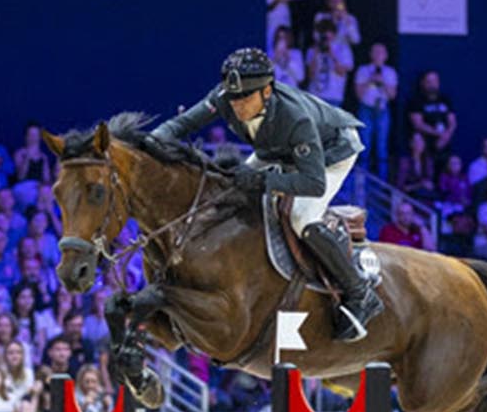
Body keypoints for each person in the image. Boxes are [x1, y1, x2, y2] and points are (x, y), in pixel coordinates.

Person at [152, 47, 381, 342]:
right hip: (277, 148)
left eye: (246, 98)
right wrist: (147, 142)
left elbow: (313, 183)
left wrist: (263, 180)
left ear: (267, 91)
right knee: (229, 192)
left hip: (332, 152)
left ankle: (359, 292)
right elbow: (180, 125)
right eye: (233, 98)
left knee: (301, 218)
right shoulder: (225, 97)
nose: (238, 106)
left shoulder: (294, 117)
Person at [352, 43, 397, 180]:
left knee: (381, 149)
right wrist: (369, 80)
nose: (378, 55)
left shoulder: (390, 72)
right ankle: (362, 185)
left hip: (382, 110)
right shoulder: (363, 70)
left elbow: (392, 95)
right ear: (370, 54)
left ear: (386, 55)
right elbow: (359, 95)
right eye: (375, 52)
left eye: (381, 52)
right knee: (364, 148)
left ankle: (382, 183)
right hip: (366, 109)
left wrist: (382, 82)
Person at [406, 71, 456, 164]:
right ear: (423, 83)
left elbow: (452, 122)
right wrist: (437, 133)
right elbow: (418, 124)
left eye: (435, 81)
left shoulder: (445, 100)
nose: (432, 85)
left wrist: (447, 135)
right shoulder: (416, 101)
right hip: (426, 137)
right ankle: (420, 176)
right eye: (429, 81)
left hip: (444, 137)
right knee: (418, 141)